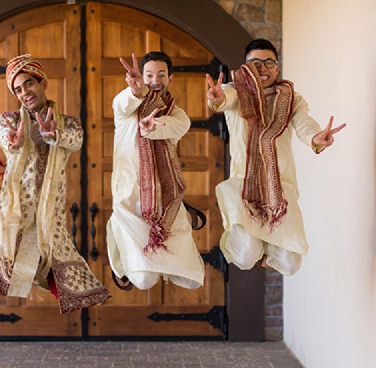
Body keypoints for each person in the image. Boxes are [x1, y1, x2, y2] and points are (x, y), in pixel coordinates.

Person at [0, 54, 111, 341]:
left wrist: (54, 135)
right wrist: (11, 141)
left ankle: (91, 304)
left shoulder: (69, 123)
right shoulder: (9, 120)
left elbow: (75, 140)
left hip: (49, 213)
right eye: (17, 89)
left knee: (55, 271)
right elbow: (3, 135)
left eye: (28, 84)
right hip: (15, 211)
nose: (24, 92)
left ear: (43, 83)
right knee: (1, 271)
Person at [206, 38, 346, 275]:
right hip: (245, 187)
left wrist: (315, 137)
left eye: (269, 62)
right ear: (245, 66)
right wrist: (217, 99)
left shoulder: (291, 98)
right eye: (255, 62)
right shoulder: (234, 91)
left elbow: (303, 123)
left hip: (280, 189)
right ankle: (246, 243)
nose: (262, 68)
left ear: (277, 67)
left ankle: (267, 253)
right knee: (246, 255)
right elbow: (222, 100)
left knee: (291, 264)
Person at [106, 51, 206, 292]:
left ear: (170, 79)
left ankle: (159, 264)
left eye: (161, 75)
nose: (155, 80)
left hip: (167, 202)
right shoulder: (126, 107)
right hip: (131, 200)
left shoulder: (177, 115)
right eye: (149, 75)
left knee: (190, 280)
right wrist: (134, 91)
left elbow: (170, 128)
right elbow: (122, 103)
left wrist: (150, 128)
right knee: (143, 281)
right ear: (140, 77)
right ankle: (122, 256)